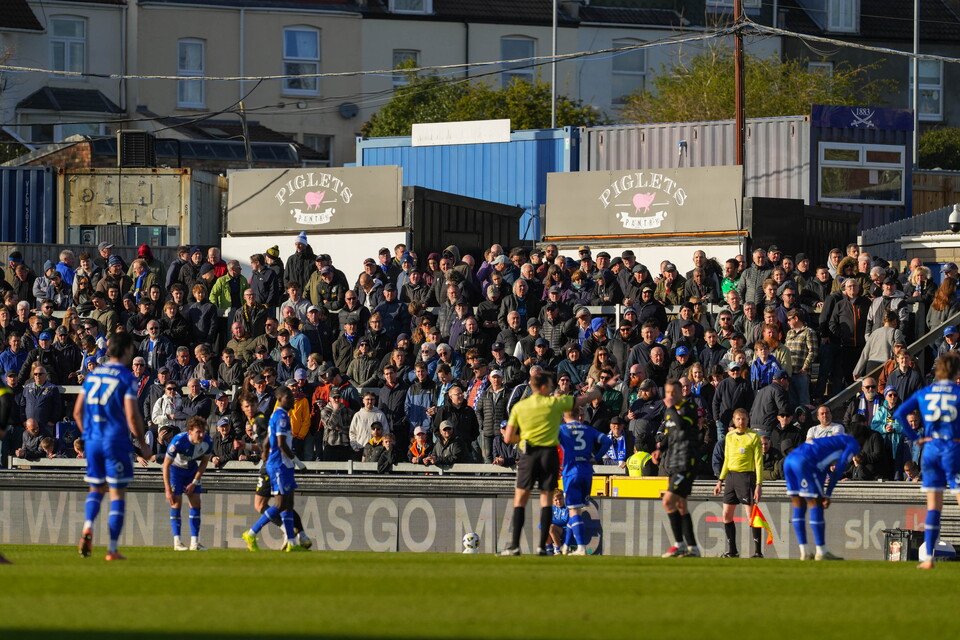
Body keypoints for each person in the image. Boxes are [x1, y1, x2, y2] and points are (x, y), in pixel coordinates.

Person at [500, 372, 604, 556]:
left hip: (529, 454)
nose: (551, 388)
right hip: (548, 455)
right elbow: (585, 399)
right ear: (543, 387)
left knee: (520, 499)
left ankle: (515, 545)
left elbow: (508, 438)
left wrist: (524, 437)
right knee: (546, 500)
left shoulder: (520, 407)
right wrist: (601, 387)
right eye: (549, 385)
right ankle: (542, 546)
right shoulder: (554, 403)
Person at [74, 333, 150, 561]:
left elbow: (77, 412)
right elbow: (132, 416)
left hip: (93, 440)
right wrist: (143, 444)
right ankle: (112, 549)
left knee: (96, 489)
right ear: (127, 350)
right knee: (117, 493)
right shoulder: (126, 377)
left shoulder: (93, 375)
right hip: (115, 441)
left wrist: (88, 435)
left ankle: (88, 526)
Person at [894, 351, 960, 569]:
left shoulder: (926, 392)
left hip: (930, 450)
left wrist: (916, 438)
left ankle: (929, 558)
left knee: (933, 507)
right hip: (952, 448)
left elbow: (900, 413)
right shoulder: (957, 392)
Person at [242, 386, 309, 552]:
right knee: (279, 504)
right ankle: (251, 533)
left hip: (283, 464)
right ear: (280, 399)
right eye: (289, 397)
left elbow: (268, 439)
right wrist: (299, 463)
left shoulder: (274, 416)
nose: (292, 399)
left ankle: (292, 542)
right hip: (279, 464)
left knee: (288, 503)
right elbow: (280, 443)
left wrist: (264, 450)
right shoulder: (280, 417)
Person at [784, 434, 859, 560]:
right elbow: (839, 469)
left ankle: (805, 551)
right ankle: (821, 551)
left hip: (789, 461)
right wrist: (828, 494)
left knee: (798, 505)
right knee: (815, 504)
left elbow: (823, 469)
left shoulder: (825, 443)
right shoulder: (851, 442)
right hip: (804, 462)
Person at [557, 408, 612, 555]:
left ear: (564, 417)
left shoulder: (562, 429)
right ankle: (566, 545)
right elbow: (607, 441)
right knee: (576, 510)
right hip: (587, 472)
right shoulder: (588, 429)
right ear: (578, 415)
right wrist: (596, 457)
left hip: (571, 472)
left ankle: (581, 547)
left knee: (573, 510)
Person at [660, 378, 703, 558]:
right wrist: (659, 449)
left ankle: (679, 544)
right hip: (674, 461)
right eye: (668, 393)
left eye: (674, 392)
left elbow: (682, 426)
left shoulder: (689, 408)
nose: (670, 396)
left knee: (668, 501)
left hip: (687, 461)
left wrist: (670, 408)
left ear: (680, 393)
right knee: (681, 505)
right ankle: (693, 548)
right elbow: (670, 435)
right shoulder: (669, 412)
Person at [713, 408, 764, 558]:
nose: (741, 421)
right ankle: (732, 551)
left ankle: (758, 552)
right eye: (738, 419)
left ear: (748, 420)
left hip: (746, 477)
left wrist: (759, 485)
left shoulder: (753, 436)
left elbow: (758, 462)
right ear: (734, 421)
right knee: (726, 515)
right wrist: (720, 481)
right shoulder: (729, 436)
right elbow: (727, 460)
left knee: (751, 516)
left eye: (744, 419)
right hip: (731, 477)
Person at [162, 416, 212, 551]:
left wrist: (194, 482)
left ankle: (194, 543)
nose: (201, 435)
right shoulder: (178, 441)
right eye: (198, 432)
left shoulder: (208, 441)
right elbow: (166, 465)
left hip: (191, 471)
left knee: (196, 504)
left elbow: (204, 462)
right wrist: (168, 489)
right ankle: (177, 542)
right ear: (190, 432)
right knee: (176, 504)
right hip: (176, 471)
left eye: (203, 431)